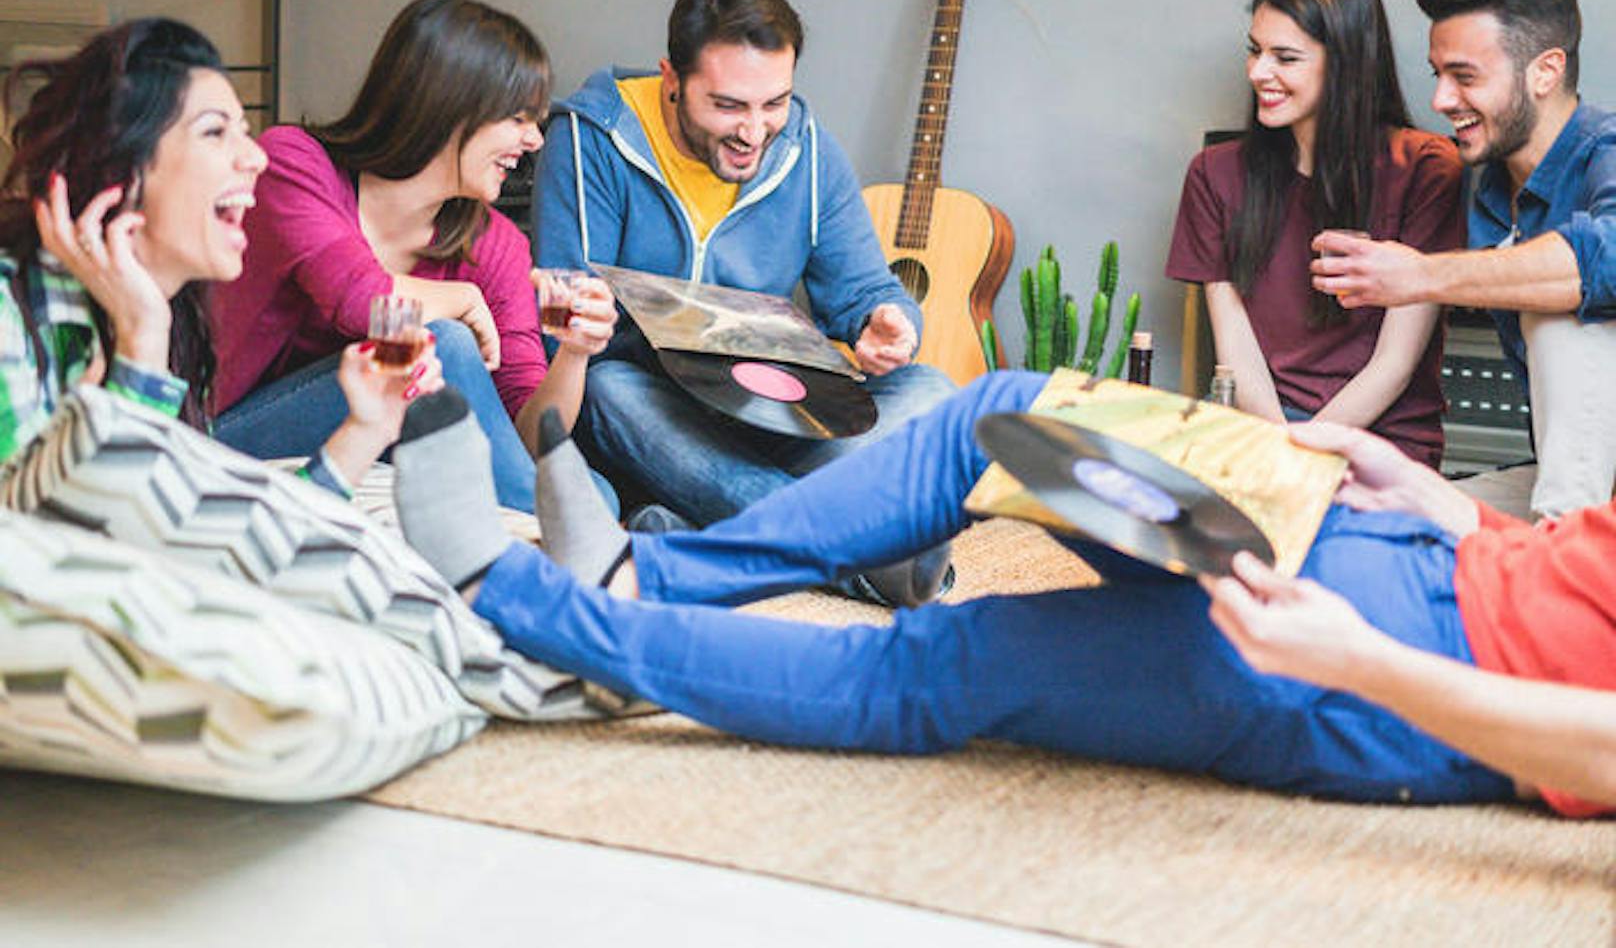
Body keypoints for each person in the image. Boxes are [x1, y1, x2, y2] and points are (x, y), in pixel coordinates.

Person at [384, 370, 1616, 818]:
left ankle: (528, 604)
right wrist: (1452, 505)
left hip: (1400, 685)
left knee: (944, 664)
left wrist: (1357, 662)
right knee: (999, 408)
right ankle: (647, 574)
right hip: (1403, 548)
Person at [531, 0, 956, 539]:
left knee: (931, 393)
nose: (754, 133)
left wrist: (888, 324)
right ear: (671, 80)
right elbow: (560, 333)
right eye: (728, 106)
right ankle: (837, 544)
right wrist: (585, 313)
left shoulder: (809, 153)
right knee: (609, 389)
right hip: (651, 414)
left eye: (774, 103)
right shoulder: (593, 139)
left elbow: (866, 293)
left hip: (769, 414)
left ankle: (704, 520)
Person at [208, 0, 618, 513]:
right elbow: (359, 299)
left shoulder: (494, 246)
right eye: (517, 119)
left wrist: (576, 354)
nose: (536, 140)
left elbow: (531, 444)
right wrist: (463, 300)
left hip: (370, 439)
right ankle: (597, 542)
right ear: (450, 107)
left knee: (592, 491)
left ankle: (589, 530)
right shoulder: (295, 163)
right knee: (438, 342)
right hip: (224, 433)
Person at [0, 18, 436, 491]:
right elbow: (80, 546)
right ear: (120, 167)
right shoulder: (12, 314)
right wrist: (142, 344)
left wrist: (368, 430)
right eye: (214, 132)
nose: (256, 157)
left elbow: (206, 537)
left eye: (244, 131)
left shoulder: (178, 320)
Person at [1314, 0, 1616, 517]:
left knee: (1560, 311)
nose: (1441, 101)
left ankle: (1563, 582)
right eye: (1439, 76)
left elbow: (1605, 260)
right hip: (1575, 485)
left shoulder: (1607, 151)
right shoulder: (1486, 188)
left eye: (1465, 77)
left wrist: (1422, 275)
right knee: (1401, 524)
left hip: (1586, 493)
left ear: (1545, 72)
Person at [1167, 0, 1463, 467]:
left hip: (1380, 442)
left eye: (1285, 57)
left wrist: (1302, 454)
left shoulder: (1426, 168)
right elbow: (1233, 347)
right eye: (1254, 51)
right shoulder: (1213, 175)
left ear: (1346, 63)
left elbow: (1394, 364)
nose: (1260, 72)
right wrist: (1278, 448)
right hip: (1262, 432)